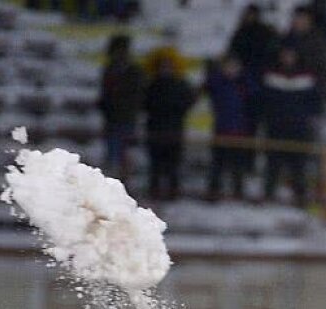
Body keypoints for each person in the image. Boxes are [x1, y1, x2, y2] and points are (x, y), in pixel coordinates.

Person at [261, 45, 320, 206]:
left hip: (298, 129)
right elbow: (265, 101)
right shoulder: (271, 76)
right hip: (276, 128)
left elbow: (314, 102)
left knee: (298, 167)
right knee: (272, 165)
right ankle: (268, 197)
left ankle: (300, 199)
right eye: (285, 54)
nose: (287, 58)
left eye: (291, 54)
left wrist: (305, 118)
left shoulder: (306, 77)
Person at [142, 51, 196, 201]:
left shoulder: (180, 84)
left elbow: (189, 100)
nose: (165, 69)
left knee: (173, 165)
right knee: (155, 165)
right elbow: (144, 103)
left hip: (174, 129)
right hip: (156, 129)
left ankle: (173, 192)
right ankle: (155, 191)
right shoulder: (152, 85)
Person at [205, 53, 255, 200]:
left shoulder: (244, 84)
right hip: (221, 128)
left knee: (238, 164)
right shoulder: (218, 83)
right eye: (228, 66)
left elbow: (253, 98)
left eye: (234, 66)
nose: (231, 69)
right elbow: (209, 85)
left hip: (240, 129)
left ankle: (238, 192)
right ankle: (213, 191)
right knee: (217, 164)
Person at [98, 34, 144, 183]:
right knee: (113, 156)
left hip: (127, 118)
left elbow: (137, 94)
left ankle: (124, 182)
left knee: (125, 155)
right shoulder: (109, 70)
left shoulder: (134, 71)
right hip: (113, 118)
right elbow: (105, 94)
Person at [282, 4, 326, 111]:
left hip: (309, 92)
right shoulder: (285, 40)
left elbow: (322, 69)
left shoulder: (317, 42)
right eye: (297, 18)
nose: (299, 21)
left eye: (303, 18)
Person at [226, 4, 279, 81]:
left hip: (262, 68)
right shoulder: (240, 32)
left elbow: (272, 50)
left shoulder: (265, 32)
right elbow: (234, 51)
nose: (250, 17)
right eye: (248, 14)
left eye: (252, 14)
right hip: (243, 69)